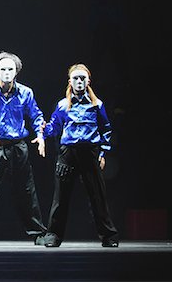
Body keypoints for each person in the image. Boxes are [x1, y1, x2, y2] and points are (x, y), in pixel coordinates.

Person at [0, 52, 48, 245]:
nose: (7, 73)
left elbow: (36, 116)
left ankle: (38, 232)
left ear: (16, 72)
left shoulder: (26, 93)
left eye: (10, 69)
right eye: (3, 69)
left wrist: (40, 136)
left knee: (26, 189)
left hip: (18, 147)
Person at [42, 63, 119, 247]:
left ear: (88, 81)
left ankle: (109, 236)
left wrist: (103, 152)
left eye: (82, 78)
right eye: (76, 78)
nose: (79, 81)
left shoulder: (96, 104)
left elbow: (106, 129)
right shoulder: (62, 105)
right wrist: (43, 131)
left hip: (89, 152)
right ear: (70, 81)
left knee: (97, 196)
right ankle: (53, 234)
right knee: (61, 197)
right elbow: (54, 127)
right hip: (68, 153)